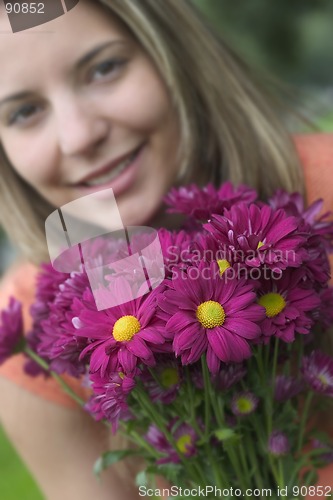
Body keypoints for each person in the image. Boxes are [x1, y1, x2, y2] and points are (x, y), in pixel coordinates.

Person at [0, 1, 332, 499]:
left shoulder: (320, 185)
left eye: (104, 68)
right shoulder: (34, 327)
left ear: (173, 54)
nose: (79, 136)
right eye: (24, 111)